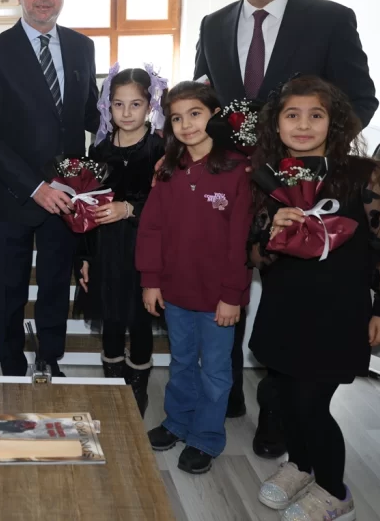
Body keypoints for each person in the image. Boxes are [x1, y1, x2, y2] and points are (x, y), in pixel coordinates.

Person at [193, 0, 378, 456]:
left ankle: (277, 411)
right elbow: (206, 102)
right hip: (232, 185)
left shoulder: (329, 19)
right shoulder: (213, 23)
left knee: (286, 300)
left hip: (303, 192)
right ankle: (227, 394)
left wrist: (313, 163)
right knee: (226, 281)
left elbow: (360, 99)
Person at [247, 76, 380, 519]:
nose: (303, 125)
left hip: (337, 313)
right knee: (283, 398)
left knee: (311, 404)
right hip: (283, 309)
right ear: (276, 124)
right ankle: (300, 465)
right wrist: (273, 232)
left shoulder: (362, 175)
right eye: (292, 115)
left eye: (315, 115)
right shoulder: (267, 177)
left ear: (333, 122)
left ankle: (336, 492)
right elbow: (254, 256)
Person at [0, 0, 101, 377]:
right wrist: (35, 188)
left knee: (55, 286)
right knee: (9, 292)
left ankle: (50, 360)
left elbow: (90, 117)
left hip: (66, 197)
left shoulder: (82, 47)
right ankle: (11, 367)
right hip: (13, 195)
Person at [137, 81, 252, 476]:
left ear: (214, 116)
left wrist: (232, 295)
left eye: (195, 114)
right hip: (174, 291)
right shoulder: (168, 169)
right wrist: (151, 280)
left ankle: (205, 437)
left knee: (216, 371)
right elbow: (151, 229)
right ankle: (177, 423)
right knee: (182, 362)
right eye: (177, 118)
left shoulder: (238, 170)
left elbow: (240, 241)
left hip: (219, 297)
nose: (186, 124)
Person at [76, 66, 167, 416]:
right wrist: (85, 258)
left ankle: (137, 387)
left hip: (145, 249)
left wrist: (128, 208)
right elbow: (86, 207)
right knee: (111, 318)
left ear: (150, 106)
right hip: (106, 249)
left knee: (140, 320)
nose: (126, 113)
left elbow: (168, 208)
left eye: (135, 104)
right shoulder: (99, 150)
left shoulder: (161, 150)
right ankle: (113, 385)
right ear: (107, 106)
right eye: (118, 104)